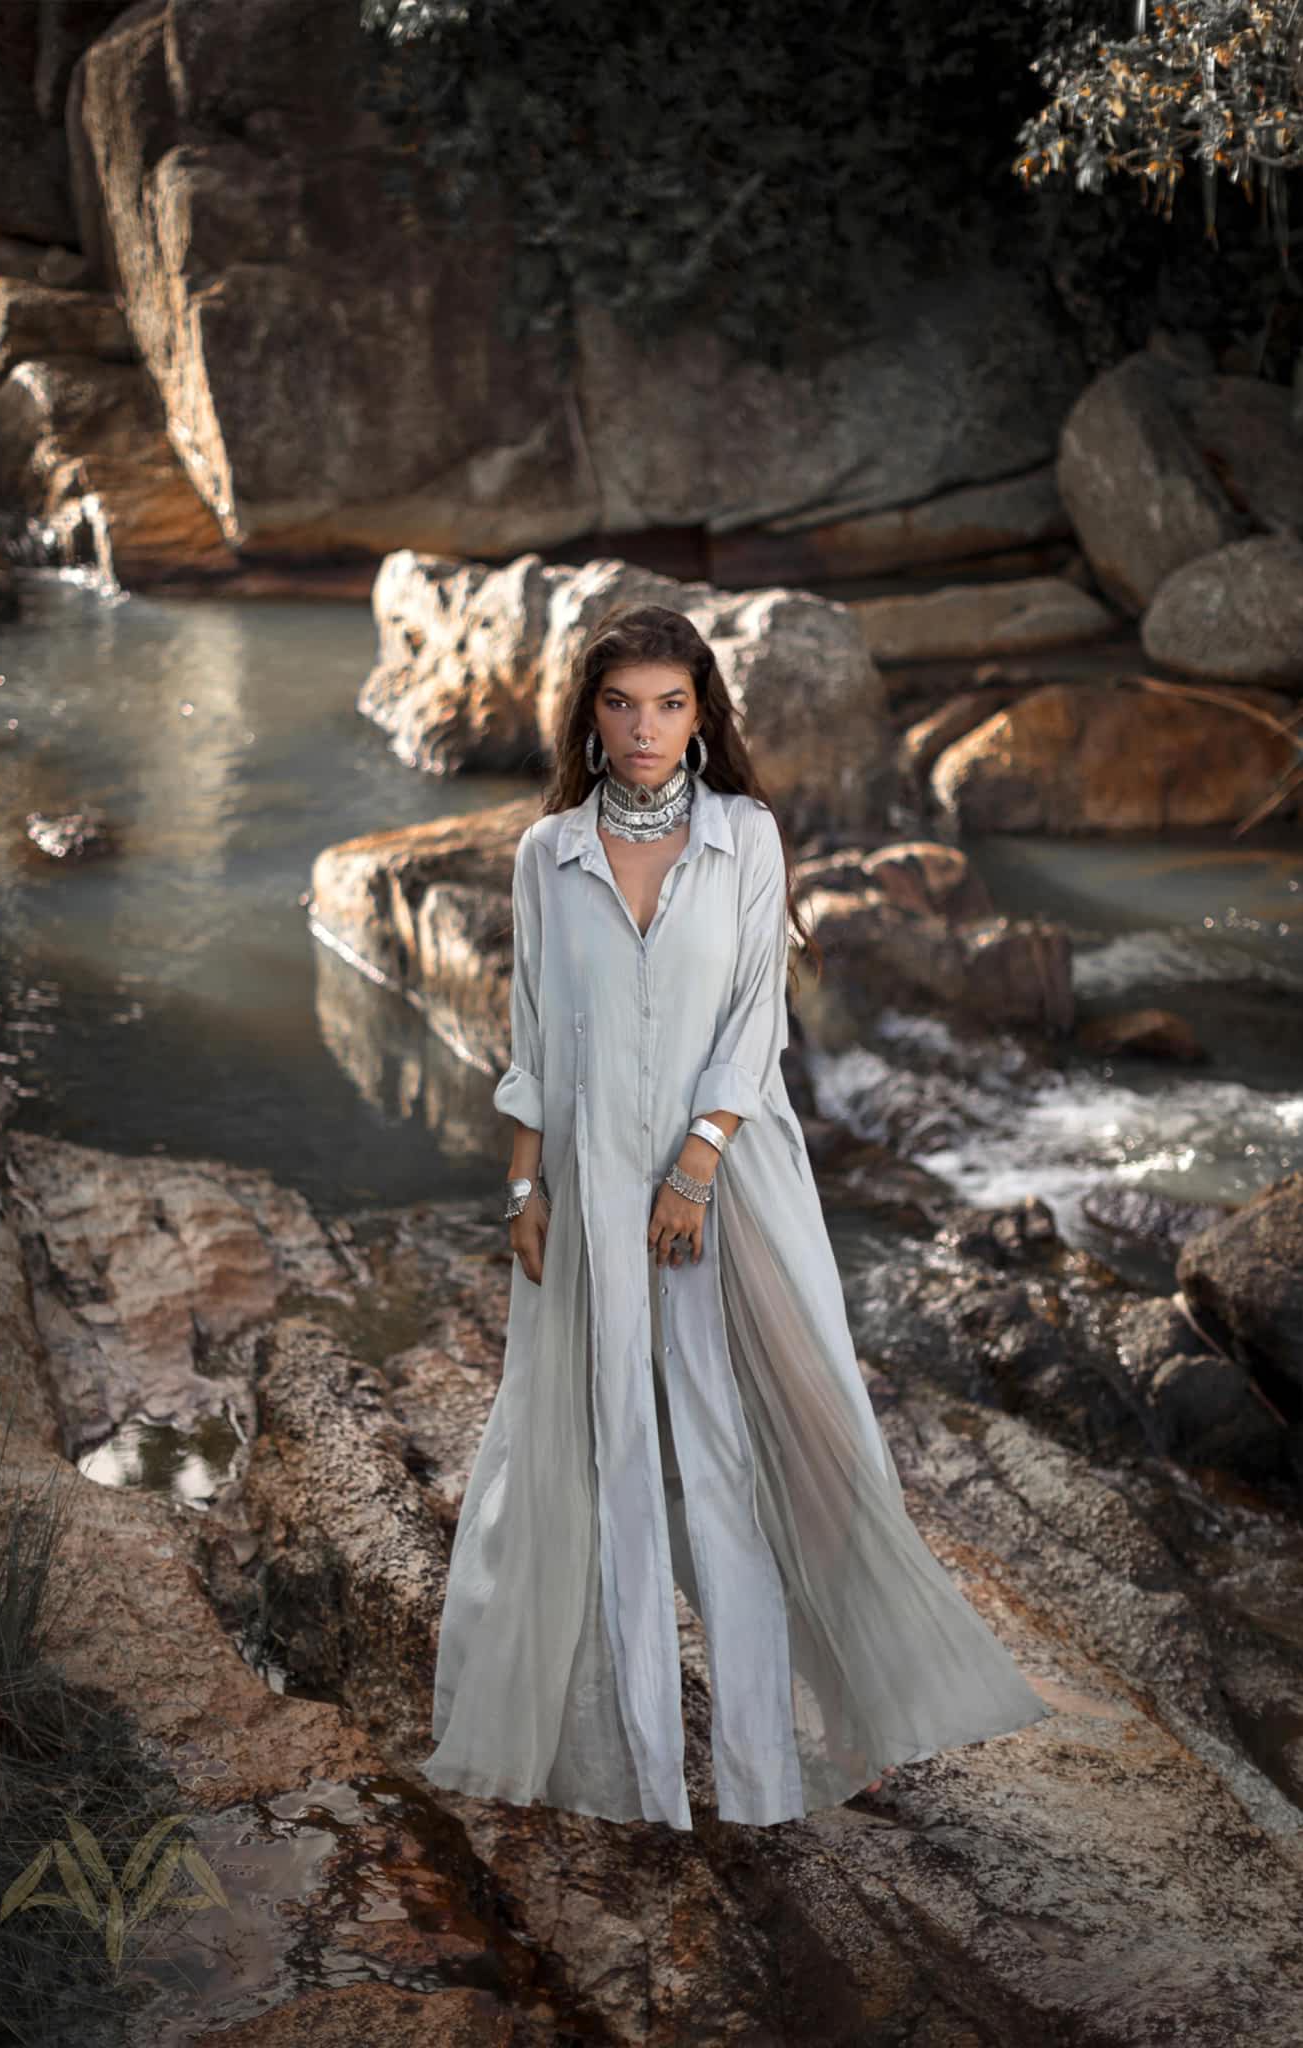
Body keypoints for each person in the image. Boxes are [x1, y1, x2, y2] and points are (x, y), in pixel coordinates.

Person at [418, 602, 1052, 1830]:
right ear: (589, 717)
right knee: (604, 1441)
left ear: (702, 713)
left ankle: (812, 1735)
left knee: (771, 1435)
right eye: (621, 703)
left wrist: (696, 1164)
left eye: (669, 703)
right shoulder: (548, 852)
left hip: (732, 1176)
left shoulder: (745, 835)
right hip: (590, 1180)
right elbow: (533, 1035)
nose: (644, 728)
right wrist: (524, 1187)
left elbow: (758, 1019)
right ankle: (635, 1753)